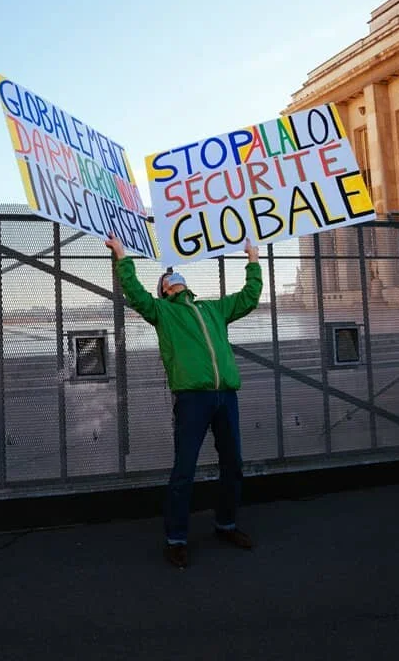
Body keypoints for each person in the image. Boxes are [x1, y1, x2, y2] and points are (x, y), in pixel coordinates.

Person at [105, 231, 262, 569]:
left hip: (226, 397)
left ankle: (226, 524)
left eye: (176, 275)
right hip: (192, 398)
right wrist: (122, 254)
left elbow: (250, 297)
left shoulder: (214, 309)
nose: (173, 278)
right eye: (168, 278)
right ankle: (176, 539)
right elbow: (135, 294)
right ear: (164, 288)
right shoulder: (162, 312)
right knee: (184, 470)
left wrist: (252, 258)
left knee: (233, 464)